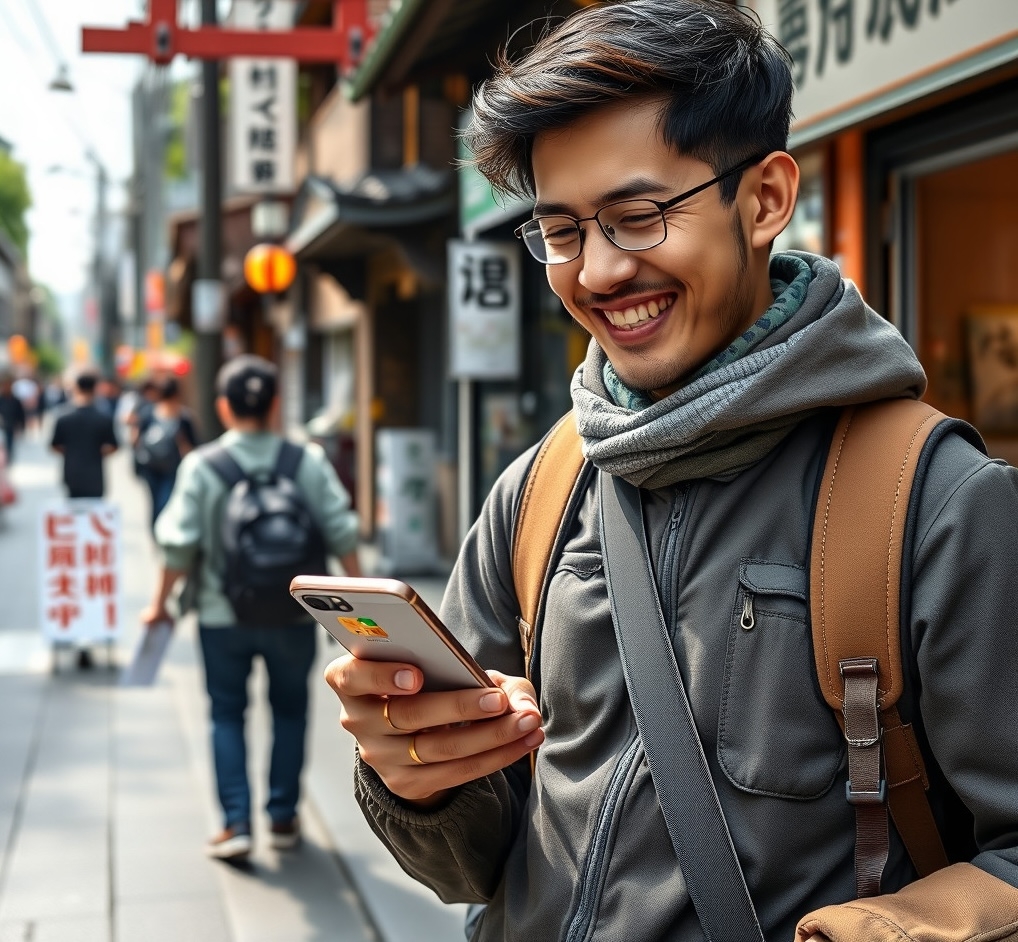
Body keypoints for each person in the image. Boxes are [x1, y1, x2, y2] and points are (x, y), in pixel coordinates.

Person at [325, 3, 1018, 941]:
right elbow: (470, 868)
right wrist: (415, 777)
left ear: (766, 198)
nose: (599, 271)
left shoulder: (935, 503)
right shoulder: (539, 489)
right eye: (561, 230)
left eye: (639, 216)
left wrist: (892, 929)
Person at [141, 355, 362, 862]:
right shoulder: (304, 461)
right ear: (276, 405)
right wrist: (356, 606)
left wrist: (158, 605)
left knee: (225, 713)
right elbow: (343, 529)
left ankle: (235, 824)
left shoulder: (202, 465)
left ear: (222, 408)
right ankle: (283, 817)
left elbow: (177, 545)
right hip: (293, 615)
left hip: (223, 616)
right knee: (290, 711)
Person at [132, 376, 199, 529]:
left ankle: (156, 532)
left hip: (150, 466)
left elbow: (135, 439)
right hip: (172, 467)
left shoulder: (147, 413)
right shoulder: (184, 417)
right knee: (166, 501)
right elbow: (191, 447)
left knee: (154, 501)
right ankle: (164, 531)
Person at [50, 371, 118, 500]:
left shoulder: (63, 417)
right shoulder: (103, 418)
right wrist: (98, 452)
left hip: (72, 471)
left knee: (74, 511)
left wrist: (70, 451)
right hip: (95, 473)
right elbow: (114, 446)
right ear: (95, 389)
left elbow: (54, 446)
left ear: (76, 388)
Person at [0, 375, 26, 463]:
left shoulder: (15, 400)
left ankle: (8, 459)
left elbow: (21, 414)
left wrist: (22, 426)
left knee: (9, 444)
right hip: (2, 426)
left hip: (10, 425)